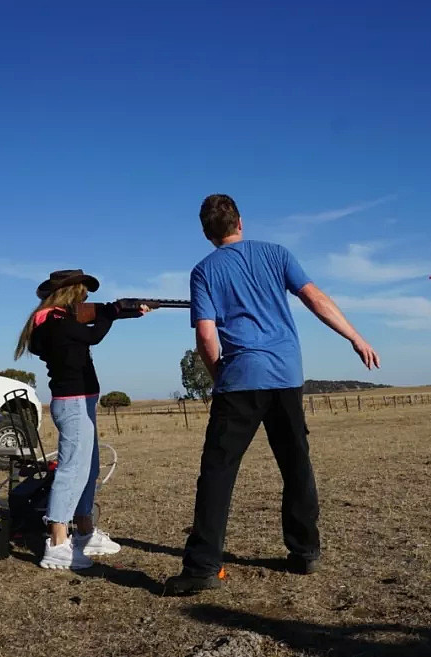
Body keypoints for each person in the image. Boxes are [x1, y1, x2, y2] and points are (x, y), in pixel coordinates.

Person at [164, 195, 380, 595]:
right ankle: (305, 552)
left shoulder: (203, 271)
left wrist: (220, 376)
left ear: (207, 232)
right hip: (286, 376)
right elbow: (315, 299)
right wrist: (355, 337)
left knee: (218, 473)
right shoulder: (277, 254)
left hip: (240, 380)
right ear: (240, 222)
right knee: (296, 463)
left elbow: (206, 335)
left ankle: (202, 567)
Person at [14, 269, 152, 570]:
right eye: (83, 291)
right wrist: (114, 312)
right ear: (71, 292)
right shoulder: (53, 322)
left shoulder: (60, 319)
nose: (87, 296)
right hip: (73, 403)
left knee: (87, 469)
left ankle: (84, 531)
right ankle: (58, 542)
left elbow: (98, 317)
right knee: (71, 470)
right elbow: (94, 334)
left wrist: (128, 311)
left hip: (82, 400)